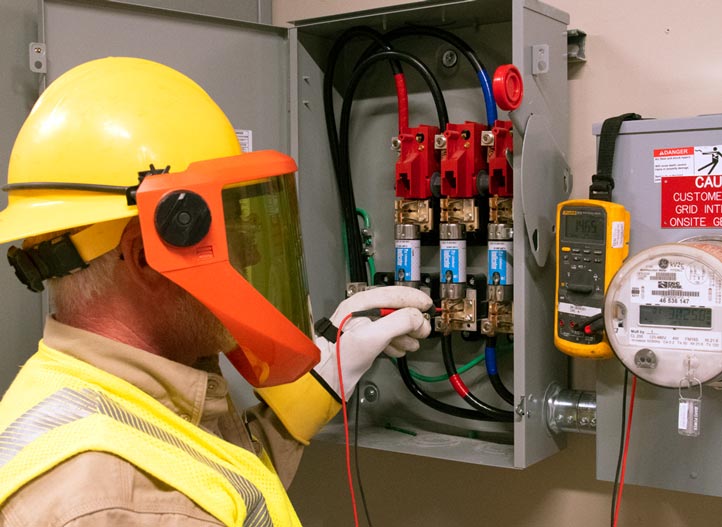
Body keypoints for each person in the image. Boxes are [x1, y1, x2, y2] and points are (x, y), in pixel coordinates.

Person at [0, 57, 432, 526]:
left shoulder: (81, 398)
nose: (249, 254)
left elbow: (210, 482)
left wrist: (323, 383)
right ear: (147, 256)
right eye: (229, 230)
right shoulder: (116, 503)